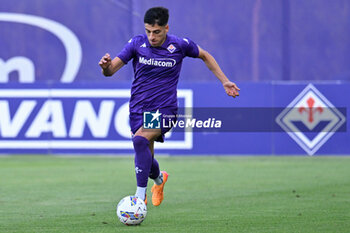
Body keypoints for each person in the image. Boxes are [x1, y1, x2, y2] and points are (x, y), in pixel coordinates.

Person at [99, 7, 240, 206]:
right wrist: (106, 67)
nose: (151, 36)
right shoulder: (136, 44)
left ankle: (139, 198)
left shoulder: (179, 45)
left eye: (156, 32)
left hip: (165, 109)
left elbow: (205, 55)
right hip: (138, 109)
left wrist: (224, 81)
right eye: (148, 31)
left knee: (139, 141)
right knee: (146, 159)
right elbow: (111, 70)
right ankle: (159, 179)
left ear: (166, 28)